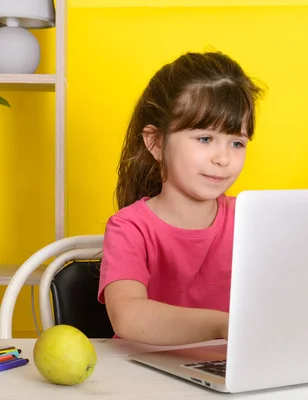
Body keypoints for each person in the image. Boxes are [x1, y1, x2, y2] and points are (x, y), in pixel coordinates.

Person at [97, 51, 264, 346]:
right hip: (143, 375)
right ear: (156, 142)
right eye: (204, 139)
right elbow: (128, 316)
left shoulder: (252, 220)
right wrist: (224, 325)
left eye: (237, 143)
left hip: (228, 372)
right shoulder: (129, 227)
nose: (223, 158)